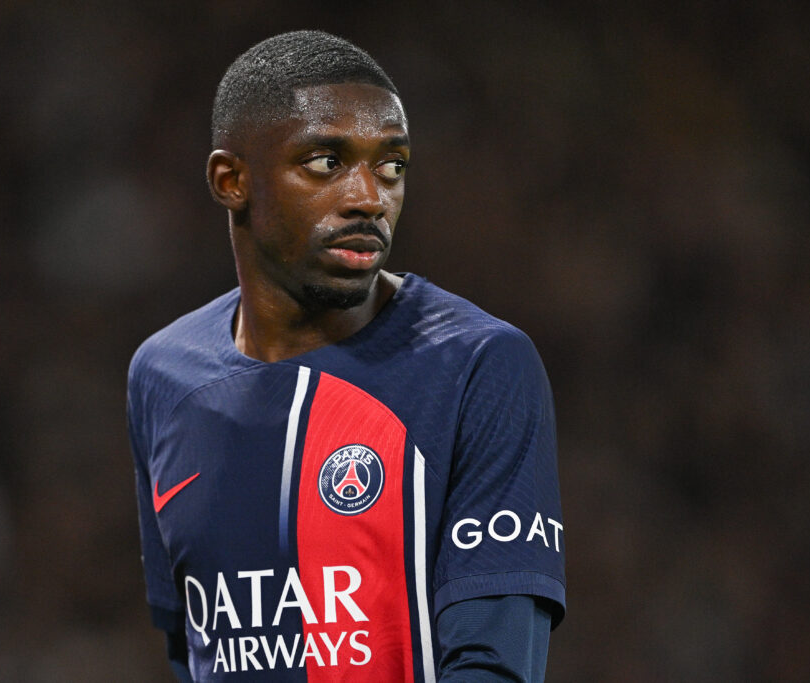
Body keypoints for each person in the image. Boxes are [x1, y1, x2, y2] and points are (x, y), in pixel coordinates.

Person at [127, 30, 566, 682]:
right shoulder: (163, 376)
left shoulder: (477, 364)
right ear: (231, 180)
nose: (369, 197)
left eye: (391, 166)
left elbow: (495, 665)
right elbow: (191, 651)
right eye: (326, 162)